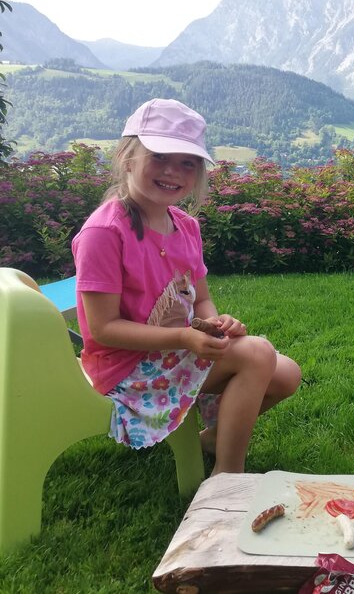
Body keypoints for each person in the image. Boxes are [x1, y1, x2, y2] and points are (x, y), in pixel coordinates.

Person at [72, 98, 301, 475]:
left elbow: (202, 298)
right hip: (127, 368)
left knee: (287, 373)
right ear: (128, 158)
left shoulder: (186, 227)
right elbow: (103, 329)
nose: (173, 171)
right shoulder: (105, 232)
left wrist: (215, 324)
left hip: (174, 351)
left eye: (187, 163)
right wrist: (183, 337)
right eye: (160, 156)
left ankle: (213, 438)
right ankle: (228, 474)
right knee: (258, 353)